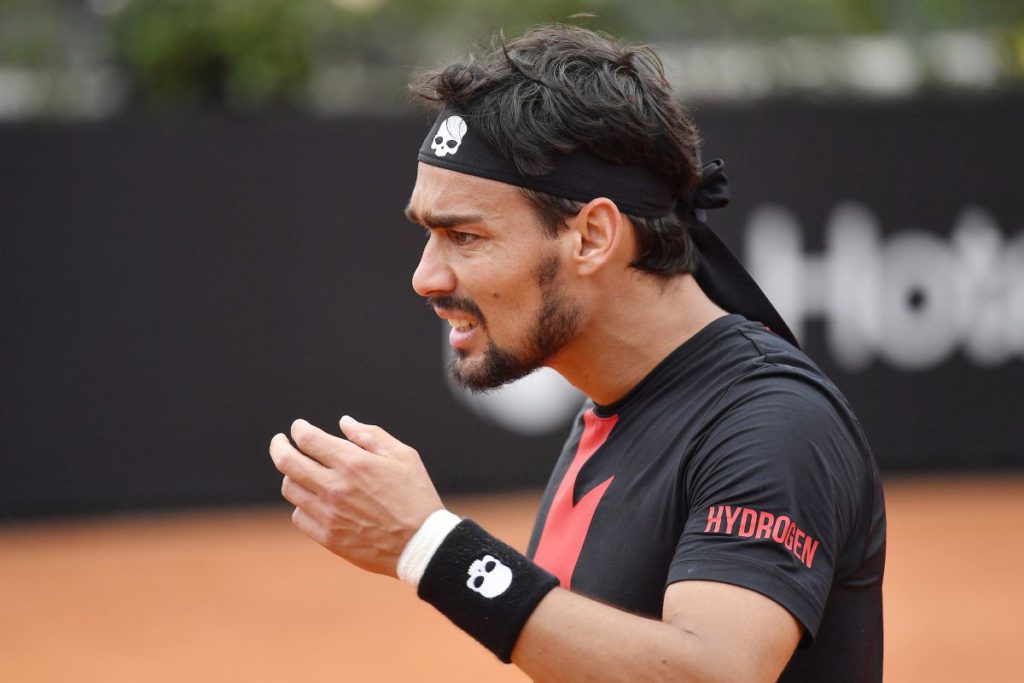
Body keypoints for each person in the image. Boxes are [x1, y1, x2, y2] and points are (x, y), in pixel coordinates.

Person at [268, 24, 885, 683]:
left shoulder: (772, 424)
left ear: (592, 236)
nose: (426, 277)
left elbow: (715, 672)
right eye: (428, 234)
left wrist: (431, 546)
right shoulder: (610, 413)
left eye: (465, 236)